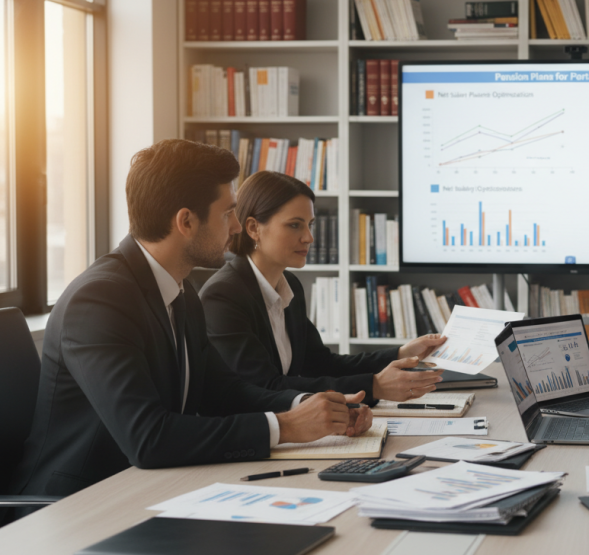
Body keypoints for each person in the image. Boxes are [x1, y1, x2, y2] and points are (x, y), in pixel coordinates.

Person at [13, 140, 372, 499]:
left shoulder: (180, 290)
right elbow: (148, 437)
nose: (235, 227)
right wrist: (286, 427)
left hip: (147, 488)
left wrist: (315, 408)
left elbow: (224, 392)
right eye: (227, 213)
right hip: (77, 504)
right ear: (186, 221)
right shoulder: (99, 301)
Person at [199, 171, 446, 403]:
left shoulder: (289, 286)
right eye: (295, 225)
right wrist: (374, 386)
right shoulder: (223, 296)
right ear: (253, 228)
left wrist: (402, 353)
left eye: (310, 224)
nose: (309, 237)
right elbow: (265, 387)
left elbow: (322, 364)